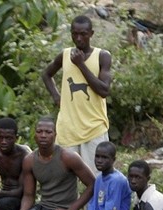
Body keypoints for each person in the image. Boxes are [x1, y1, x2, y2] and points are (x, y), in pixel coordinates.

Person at [42, 14, 112, 173]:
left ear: (91, 34)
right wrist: (56, 96)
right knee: (64, 179)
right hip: (68, 129)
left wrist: (81, 65)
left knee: (96, 179)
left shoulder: (102, 56)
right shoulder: (65, 55)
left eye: (83, 34)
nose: (78, 38)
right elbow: (46, 75)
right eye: (75, 34)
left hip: (94, 128)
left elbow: (104, 91)